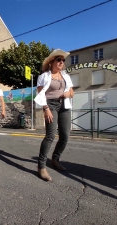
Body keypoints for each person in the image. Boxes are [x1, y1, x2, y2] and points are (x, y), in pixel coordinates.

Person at [34, 49, 74, 182]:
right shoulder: (44, 76)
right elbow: (40, 94)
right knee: (50, 135)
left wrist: (69, 94)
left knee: (65, 136)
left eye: (63, 60)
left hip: (64, 106)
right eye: (59, 60)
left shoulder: (66, 76)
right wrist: (46, 108)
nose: (61, 62)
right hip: (50, 105)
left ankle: (55, 160)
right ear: (51, 62)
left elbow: (72, 92)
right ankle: (41, 167)